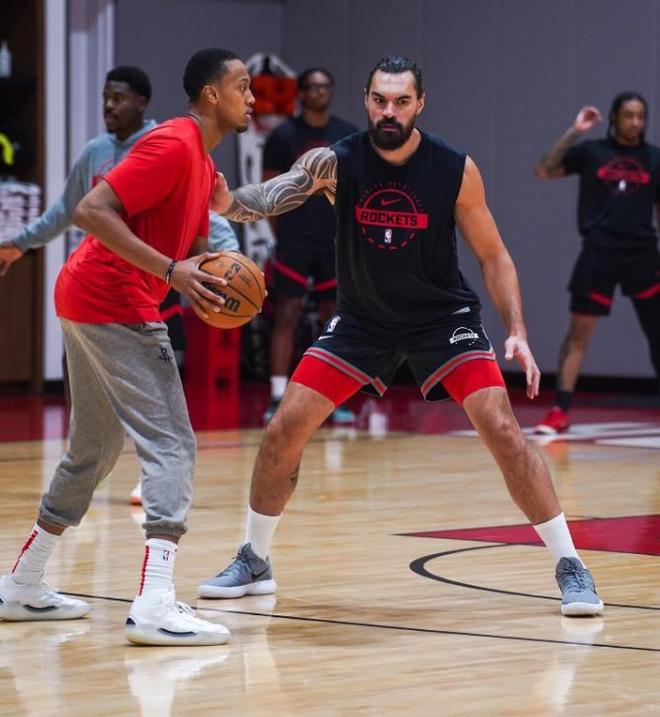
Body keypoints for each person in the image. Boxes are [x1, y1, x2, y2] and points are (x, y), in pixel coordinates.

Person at [198, 56, 603, 617]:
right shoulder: (336, 162)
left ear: (420, 104)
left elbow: (494, 256)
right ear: (367, 101)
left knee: (503, 429)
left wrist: (517, 331)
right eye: (380, 100)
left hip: (442, 319)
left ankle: (570, 564)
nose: (389, 112)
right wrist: (227, 204)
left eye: (401, 102)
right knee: (284, 426)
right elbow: (274, 195)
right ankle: (255, 558)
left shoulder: (453, 168)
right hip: (363, 320)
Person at [0, 48, 254, 645]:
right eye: (243, 86)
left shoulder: (201, 163)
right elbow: (90, 210)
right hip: (113, 300)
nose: (252, 97)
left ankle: (23, 582)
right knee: (173, 444)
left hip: (85, 296)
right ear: (212, 94)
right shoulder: (173, 144)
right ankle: (155, 602)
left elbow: (192, 250)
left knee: (94, 447)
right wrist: (169, 271)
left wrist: (213, 280)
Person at [0, 65, 239, 504]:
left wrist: (228, 265)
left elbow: (202, 218)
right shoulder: (98, 152)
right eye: (105, 98)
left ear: (142, 102)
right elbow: (68, 210)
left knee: (161, 402)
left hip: (157, 283)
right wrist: (21, 243)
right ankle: (106, 463)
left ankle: (149, 470)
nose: (109, 106)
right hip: (113, 282)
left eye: (119, 98)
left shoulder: (176, 145)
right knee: (112, 408)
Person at [534, 93, 660, 434]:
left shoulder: (654, 159)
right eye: (629, 115)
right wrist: (574, 131)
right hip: (599, 252)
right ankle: (559, 411)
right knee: (578, 335)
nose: (635, 122)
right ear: (615, 117)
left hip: (643, 255)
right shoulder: (591, 152)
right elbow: (544, 170)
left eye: (641, 116)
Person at [262, 67, 357, 424]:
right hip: (295, 240)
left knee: (334, 319)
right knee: (287, 313)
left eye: (325, 86)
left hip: (334, 240)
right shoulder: (282, 136)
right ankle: (277, 396)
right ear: (300, 93)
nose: (320, 92)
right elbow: (270, 192)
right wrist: (283, 233)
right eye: (313, 87)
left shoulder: (347, 135)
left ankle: (334, 396)